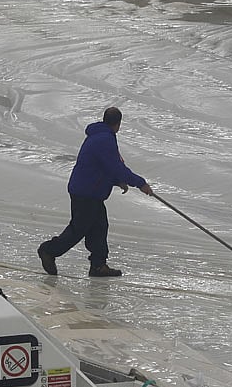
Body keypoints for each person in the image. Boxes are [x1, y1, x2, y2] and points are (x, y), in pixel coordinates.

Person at [38, 107, 153, 277]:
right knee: (79, 228)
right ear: (118, 124)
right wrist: (140, 183)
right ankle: (49, 251)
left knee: (99, 227)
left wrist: (116, 181)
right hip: (86, 192)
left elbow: (103, 166)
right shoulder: (104, 139)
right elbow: (116, 167)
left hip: (90, 191)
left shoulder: (100, 136)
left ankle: (98, 265)